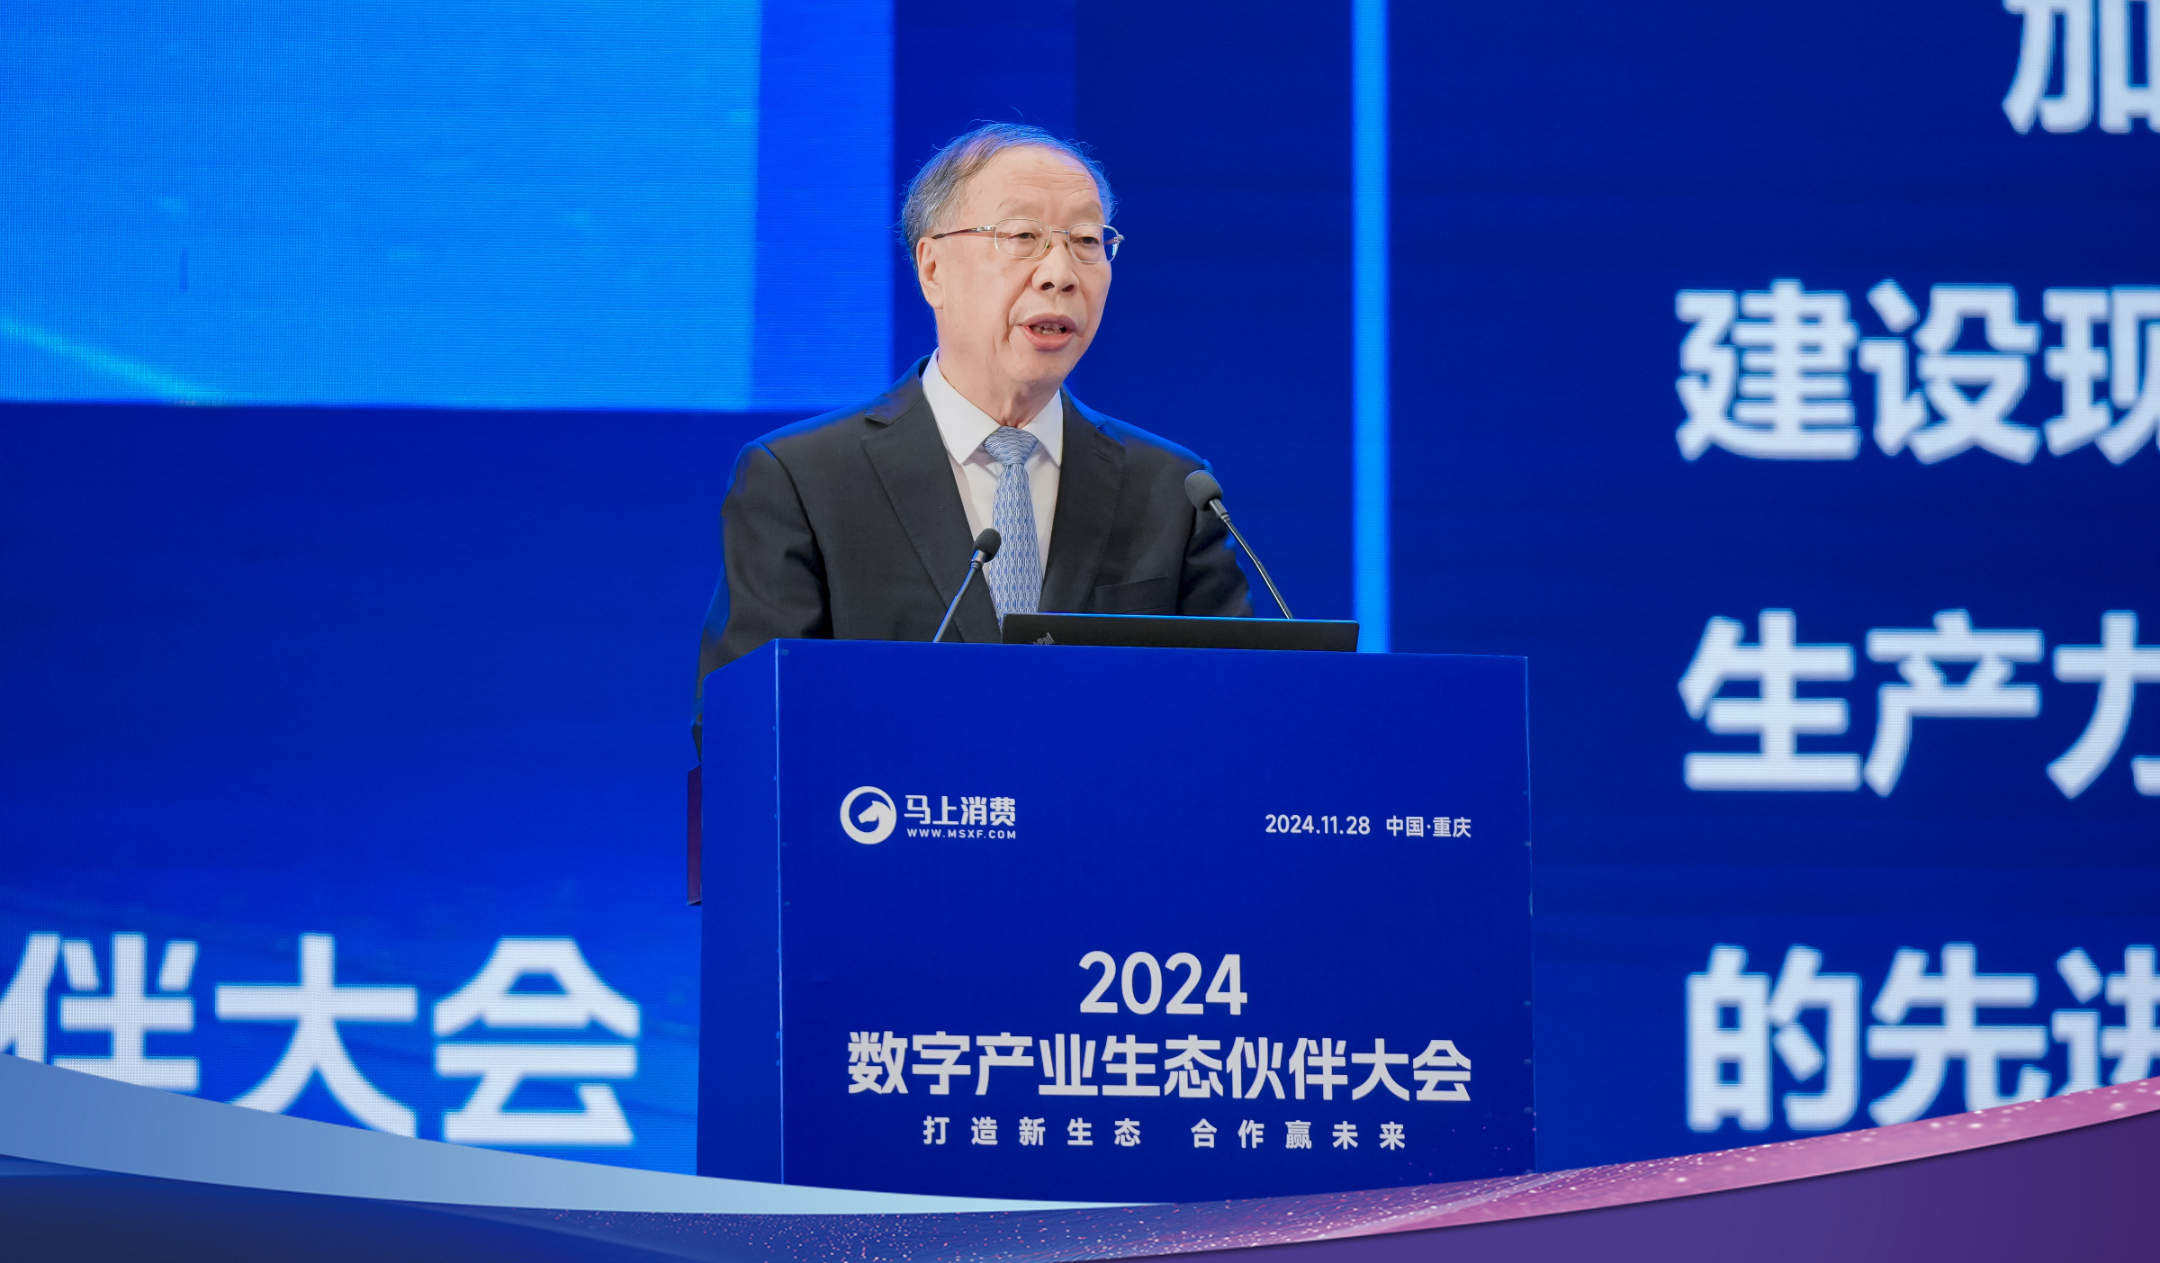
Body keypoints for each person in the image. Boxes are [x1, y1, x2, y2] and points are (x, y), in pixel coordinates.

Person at [696, 123, 1251, 720]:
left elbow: (1236, 713)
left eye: (1087, 241)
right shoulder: (803, 480)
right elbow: (748, 729)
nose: (1061, 273)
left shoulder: (1177, 491)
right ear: (933, 269)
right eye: (1023, 236)